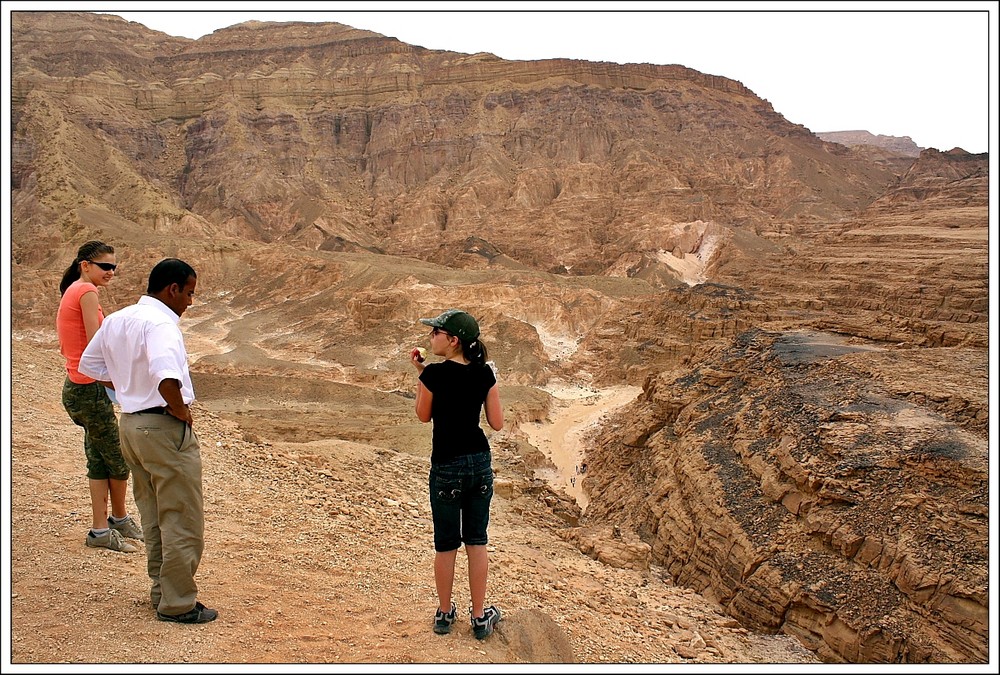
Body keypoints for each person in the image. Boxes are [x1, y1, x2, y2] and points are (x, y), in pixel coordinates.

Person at [79, 258, 217, 624]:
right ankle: (178, 604)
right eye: (188, 293)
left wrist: (127, 387)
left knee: (154, 516)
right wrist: (180, 411)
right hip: (161, 427)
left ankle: (162, 592)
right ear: (172, 289)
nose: (189, 302)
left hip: (131, 425)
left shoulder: (119, 319)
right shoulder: (161, 325)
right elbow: (167, 376)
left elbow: (90, 366)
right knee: (182, 518)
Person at [410, 309, 504, 640]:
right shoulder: (485, 374)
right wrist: (489, 383)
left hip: (447, 465)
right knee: (477, 541)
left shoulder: (434, 374)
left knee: (446, 545)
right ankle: (480, 618)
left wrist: (422, 376)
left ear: (452, 341)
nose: (431, 336)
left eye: (436, 332)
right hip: (479, 463)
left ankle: (444, 613)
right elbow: (496, 422)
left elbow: (423, 416)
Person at [56, 240, 143, 553]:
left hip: (79, 387)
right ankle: (109, 524)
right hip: (89, 388)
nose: (110, 272)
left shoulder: (74, 290)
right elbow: (97, 343)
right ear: (85, 265)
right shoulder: (86, 292)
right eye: (105, 266)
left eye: (114, 267)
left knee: (98, 456)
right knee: (118, 460)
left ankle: (108, 525)